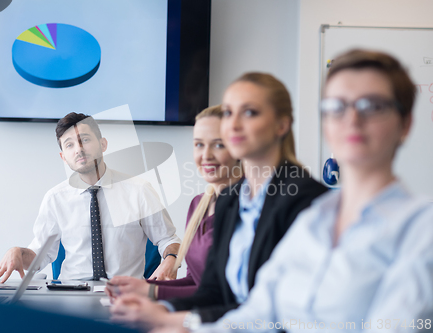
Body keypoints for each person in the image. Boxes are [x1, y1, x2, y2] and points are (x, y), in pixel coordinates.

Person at [162, 49, 433, 333]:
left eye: (372, 106)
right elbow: (259, 314)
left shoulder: (420, 228)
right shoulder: (315, 218)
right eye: (337, 107)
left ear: (406, 124)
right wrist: (182, 325)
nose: (352, 119)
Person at [110, 73, 328, 329]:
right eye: (228, 113)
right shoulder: (231, 200)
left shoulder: (305, 200)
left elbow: (274, 310)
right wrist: (160, 307)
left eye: (249, 113)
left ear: (281, 125)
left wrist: (176, 318)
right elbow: (214, 293)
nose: (233, 125)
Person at [0, 113, 181, 283]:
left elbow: (169, 239)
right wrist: (17, 252)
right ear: (64, 157)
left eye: (85, 140)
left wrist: (170, 260)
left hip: (125, 293)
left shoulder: (139, 190)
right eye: (69, 144)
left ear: (103, 144)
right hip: (70, 295)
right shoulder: (55, 198)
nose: (78, 149)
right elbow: (39, 255)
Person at [106, 105, 243, 300]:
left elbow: (225, 292)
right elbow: (195, 281)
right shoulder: (199, 205)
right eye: (199, 144)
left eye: (219, 144)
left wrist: (151, 291)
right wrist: (141, 285)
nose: (206, 155)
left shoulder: (249, 208)